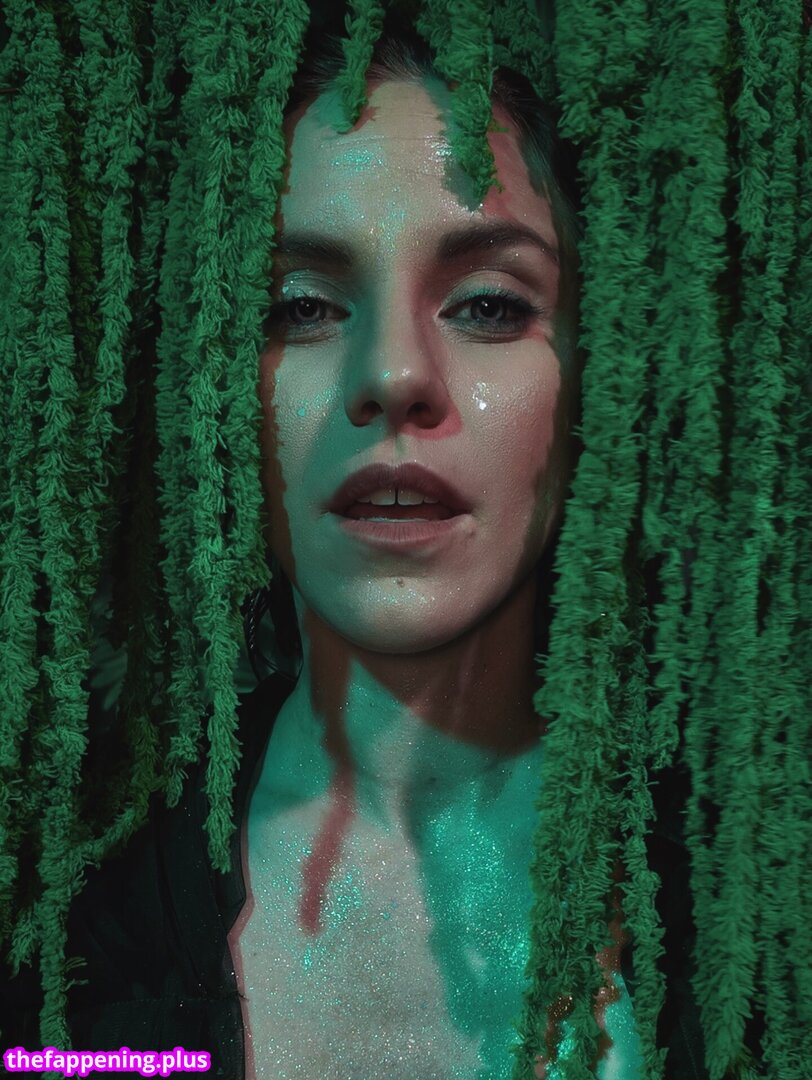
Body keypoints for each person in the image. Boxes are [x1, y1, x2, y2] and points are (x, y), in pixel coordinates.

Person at [2, 3, 807, 1079]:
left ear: (605, 376)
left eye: (487, 306)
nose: (392, 375)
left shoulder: (765, 935)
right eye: (300, 307)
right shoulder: (58, 953)